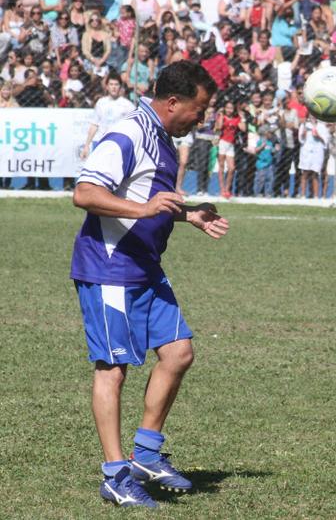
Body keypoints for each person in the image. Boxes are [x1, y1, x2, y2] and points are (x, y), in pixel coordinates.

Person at [70, 61, 226, 508]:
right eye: (198, 110)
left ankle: (147, 455)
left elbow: (149, 198)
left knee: (178, 353)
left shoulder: (162, 138)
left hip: (145, 267)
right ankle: (116, 475)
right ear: (172, 102)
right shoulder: (129, 133)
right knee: (112, 370)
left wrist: (187, 213)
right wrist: (145, 211)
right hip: (110, 268)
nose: (202, 118)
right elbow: (84, 192)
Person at [80, 75, 135, 161]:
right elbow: (94, 125)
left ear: (120, 86)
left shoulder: (128, 105)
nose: (114, 87)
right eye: (111, 84)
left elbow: (133, 128)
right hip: (101, 143)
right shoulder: (101, 102)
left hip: (118, 145)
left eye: (116, 84)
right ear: (107, 87)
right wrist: (87, 146)